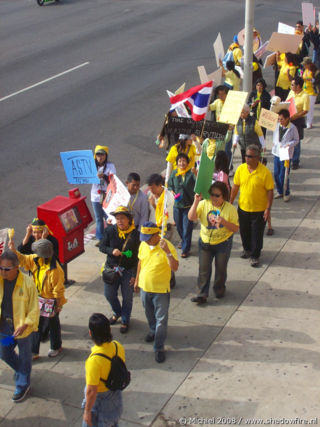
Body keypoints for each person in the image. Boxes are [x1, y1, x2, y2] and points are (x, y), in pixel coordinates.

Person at [9, 239, 66, 358]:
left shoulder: (56, 270)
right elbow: (23, 259)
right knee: (35, 325)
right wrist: (13, 250)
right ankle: (34, 351)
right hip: (37, 298)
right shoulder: (35, 259)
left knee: (53, 324)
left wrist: (58, 305)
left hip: (50, 301)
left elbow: (58, 290)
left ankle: (56, 346)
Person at [134, 222, 178, 363]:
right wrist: (136, 280)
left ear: (156, 235)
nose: (145, 240)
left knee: (161, 320)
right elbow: (140, 262)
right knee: (149, 313)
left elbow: (175, 267)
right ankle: (152, 330)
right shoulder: (143, 245)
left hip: (160, 291)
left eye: (148, 237)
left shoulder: (167, 246)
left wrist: (168, 253)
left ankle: (159, 347)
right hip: (145, 288)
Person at [188, 182, 239, 303]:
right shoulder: (204, 204)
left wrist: (224, 222)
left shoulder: (230, 209)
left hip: (223, 243)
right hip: (205, 242)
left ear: (224, 196)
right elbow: (191, 217)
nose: (214, 198)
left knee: (221, 269)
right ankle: (202, 294)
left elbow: (235, 228)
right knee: (203, 269)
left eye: (217, 195)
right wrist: (196, 201)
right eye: (212, 195)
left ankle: (219, 288)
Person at [0, 250, 39, 402]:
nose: (3, 272)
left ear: (16, 268)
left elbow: (34, 309)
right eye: (1, 268)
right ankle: (22, 371)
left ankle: (23, 384)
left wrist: (26, 324)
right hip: (5, 328)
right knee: (4, 352)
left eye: (7, 269)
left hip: (23, 329)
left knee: (25, 356)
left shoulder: (28, 283)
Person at [230, 145, 274, 267]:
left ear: (257, 158)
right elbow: (235, 187)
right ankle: (247, 249)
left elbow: (270, 191)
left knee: (257, 234)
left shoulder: (265, 172)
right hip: (243, 208)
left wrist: (268, 209)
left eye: (250, 156)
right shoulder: (241, 169)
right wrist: (230, 202)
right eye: (246, 156)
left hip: (259, 210)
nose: (247, 158)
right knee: (244, 232)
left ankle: (255, 255)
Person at [99, 206, 140, 334]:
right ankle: (117, 312)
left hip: (128, 270)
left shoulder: (136, 235)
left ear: (129, 219)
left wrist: (135, 275)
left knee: (127, 297)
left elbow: (138, 257)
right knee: (109, 294)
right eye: (117, 219)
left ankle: (125, 319)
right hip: (111, 268)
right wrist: (111, 251)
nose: (120, 221)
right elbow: (102, 246)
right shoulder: (110, 231)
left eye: (122, 218)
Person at [82, 313, 125, 427]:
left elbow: (91, 391)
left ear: (91, 333)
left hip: (100, 403)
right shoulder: (118, 346)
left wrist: (87, 412)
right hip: (115, 397)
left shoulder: (94, 361)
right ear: (109, 330)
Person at [168, 153, 196, 257]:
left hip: (188, 206)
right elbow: (170, 185)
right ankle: (184, 241)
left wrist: (196, 173)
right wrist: (171, 192)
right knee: (179, 227)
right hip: (177, 206)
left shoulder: (191, 173)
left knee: (187, 228)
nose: (181, 163)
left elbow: (198, 184)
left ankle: (185, 249)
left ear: (187, 163)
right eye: (179, 161)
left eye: (184, 161)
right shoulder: (174, 173)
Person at [91, 145, 116, 245]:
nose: (100, 157)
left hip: (107, 195)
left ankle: (110, 237)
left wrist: (104, 176)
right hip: (95, 196)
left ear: (106, 156)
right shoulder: (91, 166)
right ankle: (100, 238)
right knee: (98, 218)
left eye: (102, 155)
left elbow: (113, 180)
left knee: (109, 217)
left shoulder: (110, 166)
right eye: (98, 155)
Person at [272, 109, 299, 202]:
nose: (280, 121)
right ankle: (280, 191)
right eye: (279, 119)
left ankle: (286, 192)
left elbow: (296, 140)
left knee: (283, 174)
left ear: (287, 118)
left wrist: (289, 144)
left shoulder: (293, 128)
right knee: (276, 173)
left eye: (282, 119)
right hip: (277, 153)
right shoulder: (277, 126)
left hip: (286, 154)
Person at [286, 76, 310, 169]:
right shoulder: (291, 92)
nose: (291, 86)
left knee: (296, 141)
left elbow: (305, 110)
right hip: (289, 119)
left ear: (298, 86)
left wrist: (295, 116)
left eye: (292, 85)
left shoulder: (305, 96)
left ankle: (295, 161)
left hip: (298, 120)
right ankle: (289, 158)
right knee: (288, 139)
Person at [302, 57, 317, 128]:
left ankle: (309, 122)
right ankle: (306, 122)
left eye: (305, 64)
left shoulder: (314, 71)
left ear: (309, 64)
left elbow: (315, 80)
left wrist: (309, 79)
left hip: (312, 92)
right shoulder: (305, 70)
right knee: (305, 107)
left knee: (310, 108)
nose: (304, 66)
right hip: (305, 91)